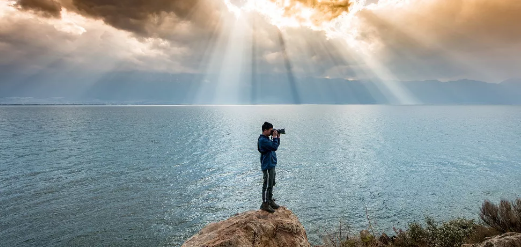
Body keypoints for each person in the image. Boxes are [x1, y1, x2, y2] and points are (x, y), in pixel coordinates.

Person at [257, 122, 281, 213]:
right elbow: (274, 147)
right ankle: (265, 204)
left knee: (271, 183)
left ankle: (270, 200)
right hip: (267, 165)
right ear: (265, 130)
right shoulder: (263, 140)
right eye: (271, 130)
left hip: (271, 164)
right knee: (267, 184)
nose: (272, 132)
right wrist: (274, 137)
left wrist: (277, 137)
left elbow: (275, 146)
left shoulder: (266, 139)